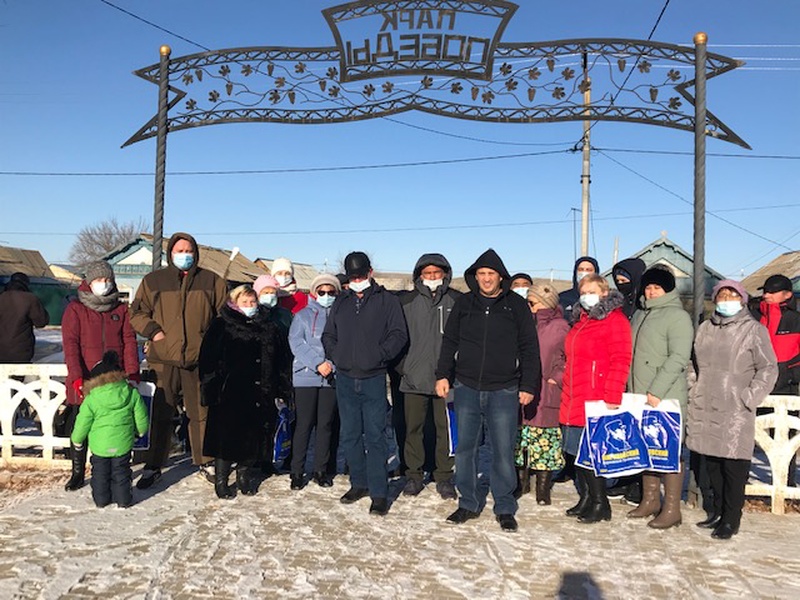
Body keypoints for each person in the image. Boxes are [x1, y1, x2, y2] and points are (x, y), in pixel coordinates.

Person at [435, 249, 540, 532]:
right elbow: (450, 342)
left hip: (504, 388)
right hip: (467, 385)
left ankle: (504, 506)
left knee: (503, 450)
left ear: (500, 276)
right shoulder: (465, 304)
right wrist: (443, 374)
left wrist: (529, 384)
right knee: (466, 448)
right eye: (481, 274)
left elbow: (530, 348)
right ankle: (467, 502)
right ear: (475, 276)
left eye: (490, 274)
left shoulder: (515, 306)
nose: (486, 279)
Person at [130, 232, 227, 489]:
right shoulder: (154, 281)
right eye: (179, 250)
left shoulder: (212, 281)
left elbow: (223, 318)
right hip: (164, 359)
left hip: (199, 359)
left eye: (189, 250)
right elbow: (137, 313)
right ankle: (154, 465)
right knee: (161, 413)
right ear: (170, 253)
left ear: (195, 252)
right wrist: (154, 332)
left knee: (201, 413)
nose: (185, 255)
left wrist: (212, 343)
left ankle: (204, 460)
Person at [688, 279, 778, 539]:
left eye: (732, 296)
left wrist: (749, 396)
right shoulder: (705, 328)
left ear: (742, 300)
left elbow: (768, 367)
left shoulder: (753, 330)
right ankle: (716, 511)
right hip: (706, 403)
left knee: (734, 466)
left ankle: (731, 517)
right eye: (722, 296)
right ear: (714, 299)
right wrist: (694, 386)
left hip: (735, 406)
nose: (727, 301)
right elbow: (692, 363)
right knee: (712, 463)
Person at [322, 251, 408, 516]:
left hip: (373, 378)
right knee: (350, 435)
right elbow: (329, 335)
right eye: (352, 277)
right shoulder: (341, 302)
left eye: (360, 275)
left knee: (375, 436)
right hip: (346, 378)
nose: (356, 280)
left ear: (370, 273)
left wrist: (379, 355)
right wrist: (337, 355)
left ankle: (379, 492)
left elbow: (398, 334)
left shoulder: (386, 301)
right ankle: (359, 483)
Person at [199, 285, 293, 499]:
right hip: (230, 391)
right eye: (245, 302)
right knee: (226, 438)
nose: (250, 307)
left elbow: (281, 359)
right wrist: (211, 387)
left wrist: (281, 386)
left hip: (261, 391)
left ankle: (244, 475)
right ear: (235, 303)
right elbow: (208, 358)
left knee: (253, 437)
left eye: (253, 302)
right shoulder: (222, 324)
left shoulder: (268, 326)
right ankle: (221, 480)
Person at [61, 260, 141, 492]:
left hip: (114, 381)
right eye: (98, 280)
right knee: (81, 424)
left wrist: (132, 372)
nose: (103, 284)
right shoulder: (76, 309)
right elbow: (71, 345)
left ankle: (113, 469)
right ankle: (77, 472)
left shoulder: (120, 309)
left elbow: (129, 341)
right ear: (89, 282)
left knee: (113, 424)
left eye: (107, 280)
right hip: (85, 380)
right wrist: (77, 377)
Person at [559, 274, 632, 524]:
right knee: (578, 453)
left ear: (604, 292)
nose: (586, 295)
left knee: (592, 453)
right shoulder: (580, 321)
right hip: (575, 392)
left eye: (592, 290)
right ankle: (587, 497)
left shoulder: (615, 320)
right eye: (583, 291)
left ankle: (601, 503)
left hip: (597, 395)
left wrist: (612, 394)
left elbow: (621, 359)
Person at [625, 266, 693, 529]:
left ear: (668, 289)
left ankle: (672, 509)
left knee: (669, 450)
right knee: (646, 448)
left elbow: (678, 357)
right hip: (638, 394)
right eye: (648, 287)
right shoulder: (641, 314)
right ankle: (651, 500)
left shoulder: (677, 316)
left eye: (657, 287)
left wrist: (657, 390)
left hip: (664, 396)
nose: (651, 292)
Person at [398, 254, 461, 500]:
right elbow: (397, 337)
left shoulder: (456, 300)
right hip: (413, 378)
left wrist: (453, 371)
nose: (432, 277)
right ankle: (413, 475)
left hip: (445, 380)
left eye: (437, 273)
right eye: (427, 273)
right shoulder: (407, 301)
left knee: (445, 429)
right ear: (419, 275)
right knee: (413, 429)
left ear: (445, 274)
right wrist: (405, 367)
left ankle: (443, 476)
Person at [71, 350, 149, 508]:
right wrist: (140, 432)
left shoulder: (92, 399)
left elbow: (82, 422)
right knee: (121, 472)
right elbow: (141, 417)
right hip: (123, 443)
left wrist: (77, 440)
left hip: (100, 446)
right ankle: (123, 500)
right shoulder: (131, 393)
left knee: (100, 474)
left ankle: (101, 500)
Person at [288, 273, 341, 490]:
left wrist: (331, 365)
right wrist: (318, 363)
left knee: (325, 424)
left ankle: (321, 469)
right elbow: (296, 342)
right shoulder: (302, 316)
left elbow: (345, 344)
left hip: (331, 377)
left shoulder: (341, 315)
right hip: (306, 376)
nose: (326, 295)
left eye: (331, 292)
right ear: (314, 293)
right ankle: (297, 471)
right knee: (304, 425)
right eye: (322, 292)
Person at [517, 283, 568, 505]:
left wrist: (556, 377)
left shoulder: (560, 327)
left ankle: (543, 488)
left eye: (532, 303)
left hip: (548, 391)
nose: (529, 307)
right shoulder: (525, 324)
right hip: (524, 389)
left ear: (545, 303)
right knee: (522, 439)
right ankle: (522, 481)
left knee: (544, 442)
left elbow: (570, 358)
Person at [755, 274, 800, 486]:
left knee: (786, 437)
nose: (767, 295)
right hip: (757, 385)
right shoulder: (756, 316)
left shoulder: (796, 319)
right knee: (752, 434)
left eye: (772, 291)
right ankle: (745, 483)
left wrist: (791, 375)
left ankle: (786, 483)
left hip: (786, 388)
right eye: (765, 291)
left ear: (787, 294)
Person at [0, 272, 49, 363]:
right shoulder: (30, 299)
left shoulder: (2, 297)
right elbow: (41, 322)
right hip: (21, 351)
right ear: (26, 284)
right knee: (17, 376)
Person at [559, 256, 600, 323]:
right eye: (581, 269)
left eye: (588, 270)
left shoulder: (603, 298)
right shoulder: (562, 298)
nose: (584, 273)